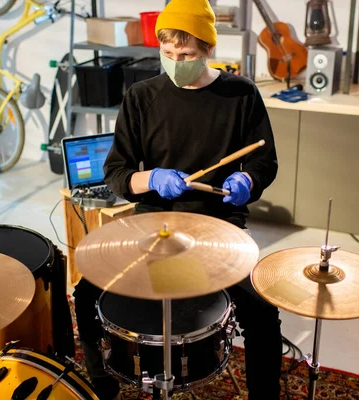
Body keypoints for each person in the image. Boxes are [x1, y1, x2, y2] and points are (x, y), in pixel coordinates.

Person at [72, 0, 283, 398]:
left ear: (208, 49)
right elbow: (116, 175)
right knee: (85, 293)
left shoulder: (241, 94)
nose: (175, 63)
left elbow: (265, 160)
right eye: (167, 54)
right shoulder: (141, 96)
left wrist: (247, 179)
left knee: (263, 314)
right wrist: (150, 177)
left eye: (185, 55)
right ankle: (100, 382)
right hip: (154, 227)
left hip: (219, 228)